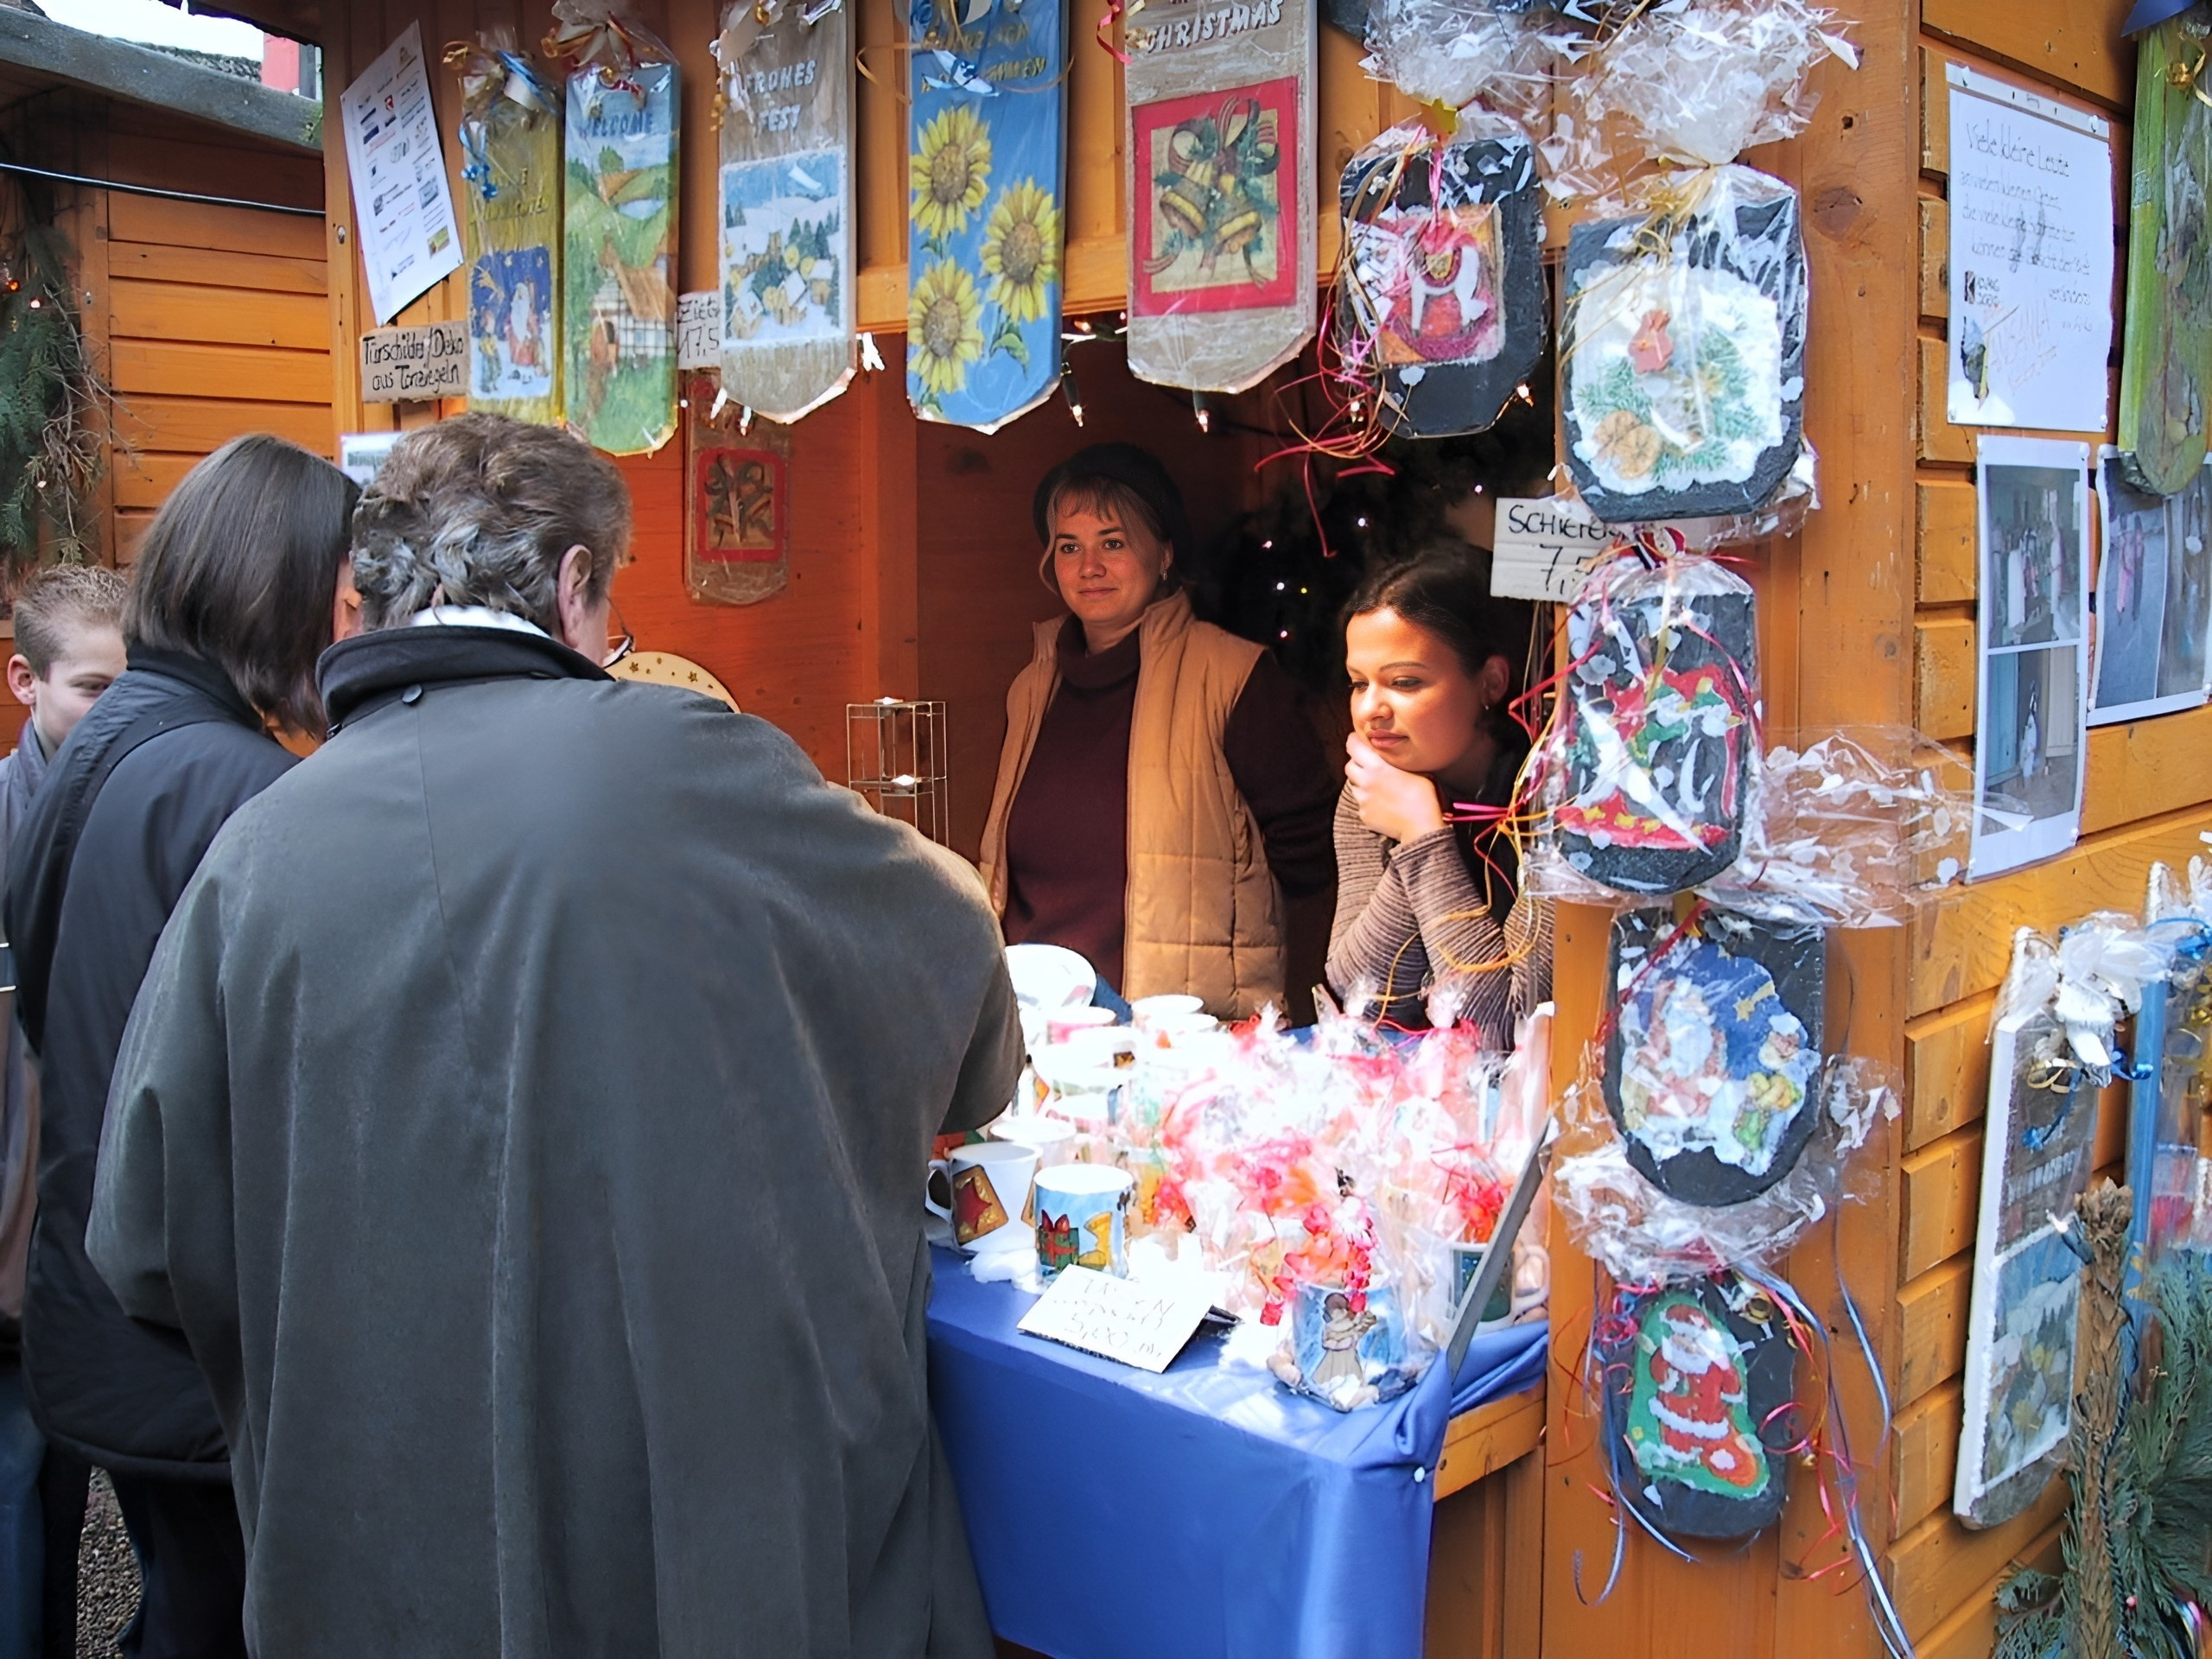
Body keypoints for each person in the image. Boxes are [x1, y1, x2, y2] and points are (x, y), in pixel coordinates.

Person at [87, 412, 1021, 1657]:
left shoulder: (255, 848)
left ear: (378, 592)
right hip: (666, 1521)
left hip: (371, 1548)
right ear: (576, 583)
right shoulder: (690, 763)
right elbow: (955, 968)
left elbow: (144, 1245)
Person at [4, 435, 359, 1659]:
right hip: (190, 1333)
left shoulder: (109, 739)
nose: (352, 629)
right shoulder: (238, 785)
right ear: (281, 592)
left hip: (99, 1292)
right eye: (342, 597)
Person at [978, 443, 1337, 1018]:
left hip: (1177, 1038)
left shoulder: (1233, 678)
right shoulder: (1032, 688)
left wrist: (1298, 1016)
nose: (1088, 567)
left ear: (1164, 553)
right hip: (1040, 1028)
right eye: (1069, 547)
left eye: (1113, 543)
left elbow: (1316, 867)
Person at [0, 565, 126, 1659]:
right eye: (92, 689)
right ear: (24, 681)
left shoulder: (143, 812)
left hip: (115, 1230)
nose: (116, 713)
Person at [1327, 543, 1551, 1040]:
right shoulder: (1374, 791)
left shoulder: (1553, 804)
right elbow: (1364, 997)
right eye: (1359, 683)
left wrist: (1422, 836)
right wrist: (1412, 830)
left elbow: (1505, 1028)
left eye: (1404, 682)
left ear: (1491, 682)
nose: (1370, 710)